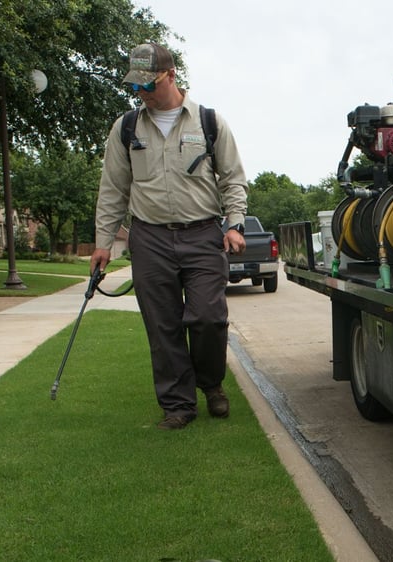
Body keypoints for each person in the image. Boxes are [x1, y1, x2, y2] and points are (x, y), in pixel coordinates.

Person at [91, 43, 249, 430]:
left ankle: (210, 384)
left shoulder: (209, 122)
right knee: (163, 326)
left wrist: (234, 223)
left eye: (149, 85)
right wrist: (103, 243)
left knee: (209, 318)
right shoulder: (126, 128)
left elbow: (233, 179)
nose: (142, 93)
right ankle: (178, 405)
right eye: (135, 87)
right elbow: (113, 189)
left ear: (172, 75)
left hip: (203, 234)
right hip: (150, 238)